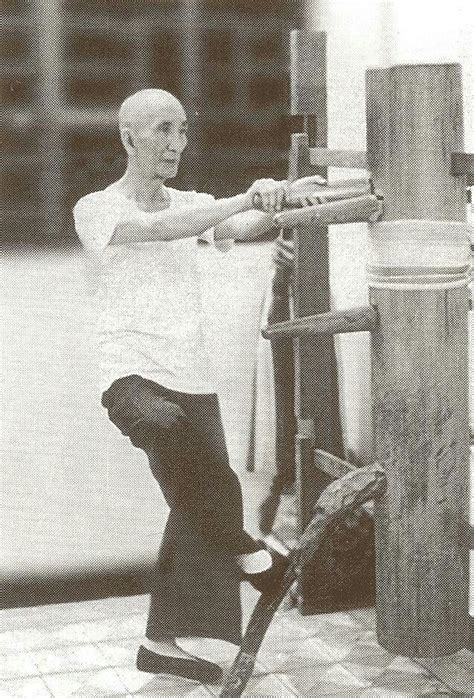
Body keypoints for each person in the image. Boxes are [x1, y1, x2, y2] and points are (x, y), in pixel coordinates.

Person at [73, 88, 323, 684]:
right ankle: (253, 555)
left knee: (198, 500)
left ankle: (162, 643)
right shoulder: (97, 208)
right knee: (185, 450)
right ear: (129, 136)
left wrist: (283, 200)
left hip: (195, 377)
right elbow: (164, 229)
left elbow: (239, 223)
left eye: (182, 131)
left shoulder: (193, 202)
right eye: (163, 130)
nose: (176, 144)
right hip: (132, 377)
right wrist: (242, 196)